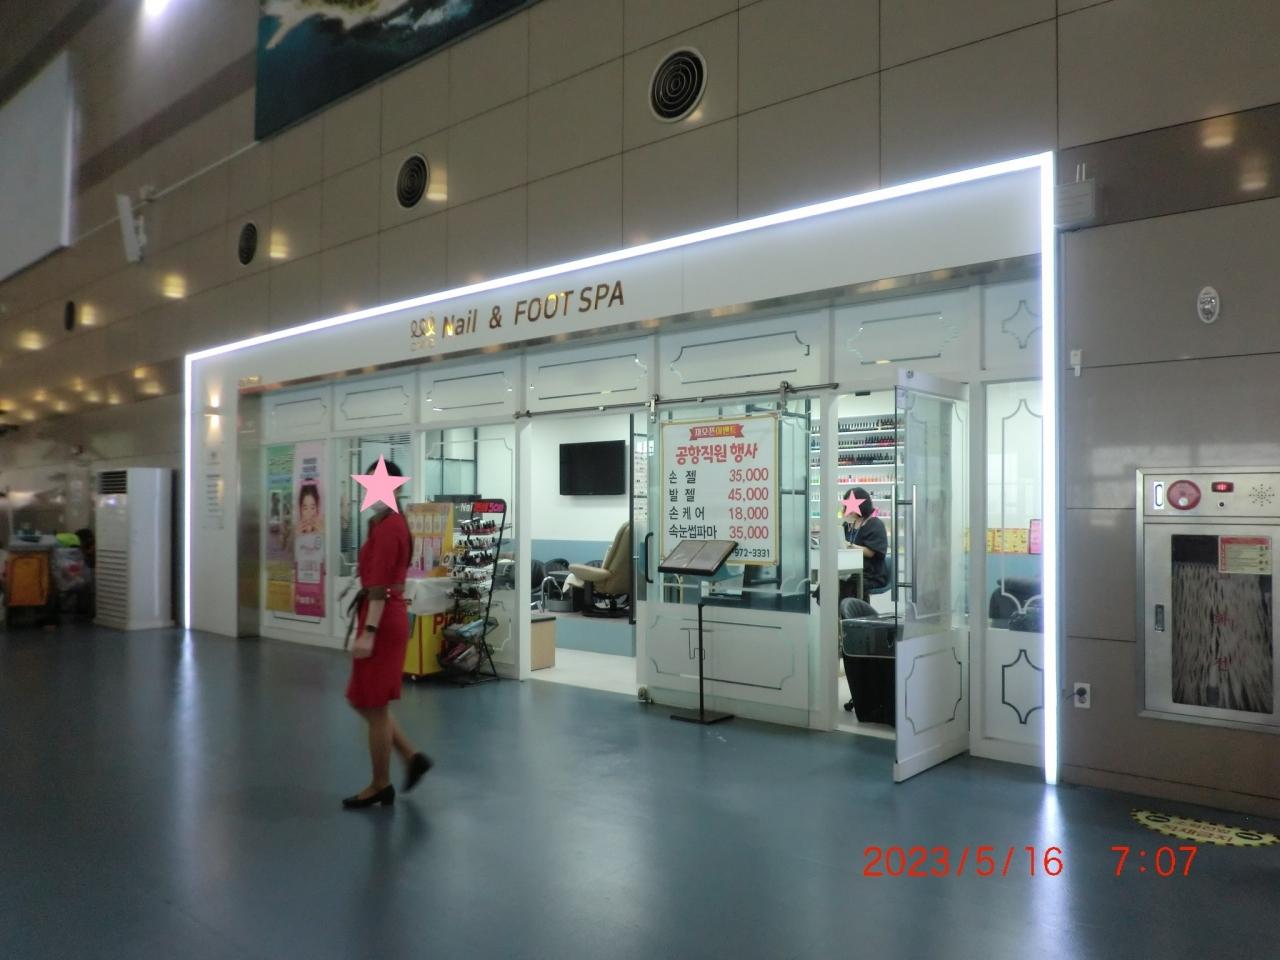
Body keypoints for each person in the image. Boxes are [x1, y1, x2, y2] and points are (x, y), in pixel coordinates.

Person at [343, 460, 432, 809]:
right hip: (378, 613)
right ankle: (411, 757)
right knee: (364, 699)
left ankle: (381, 783)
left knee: (372, 704)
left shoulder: (390, 527)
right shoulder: (381, 523)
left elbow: (380, 586)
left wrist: (369, 632)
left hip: (381, 617)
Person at [842, 486, 888, 598]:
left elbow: (871, 552)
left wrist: (850, 546)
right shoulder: (848, 525)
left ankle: (854, 608)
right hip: (851, 571)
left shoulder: (875, 524)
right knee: (828, 584)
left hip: (871, 574)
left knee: (847, 587)